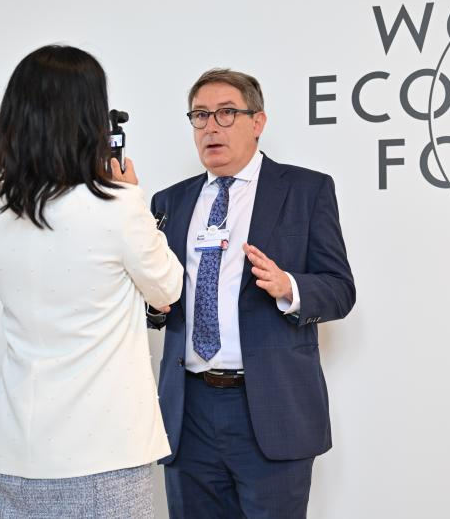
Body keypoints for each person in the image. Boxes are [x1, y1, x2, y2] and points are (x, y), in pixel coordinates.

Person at [0, 45, 182, 518]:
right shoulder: (117, 206)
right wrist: (132, 195)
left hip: (10, 450)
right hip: (102, 455)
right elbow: (168, 287)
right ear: (89, 117)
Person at [151, 68, 356, 518]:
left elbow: (341, 290)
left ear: (258, 121)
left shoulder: (306, 190)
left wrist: (290, 286)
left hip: (269, 408)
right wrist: (153, 305)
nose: (211, 127)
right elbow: (158, 301)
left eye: (226, 113)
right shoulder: (169, 202)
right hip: (188, 412)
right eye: (200, 115)